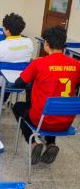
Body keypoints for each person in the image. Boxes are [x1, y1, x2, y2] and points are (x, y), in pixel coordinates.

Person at [13, 26, 80, 164]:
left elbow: (18, 83)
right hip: (66, 122)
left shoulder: (39, 63)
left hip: (40, 121)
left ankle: (33, 143)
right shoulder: (77, 65)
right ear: (64, 45)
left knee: (19, 107)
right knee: (52, 108)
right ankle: (51, 144)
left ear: (46, 44)